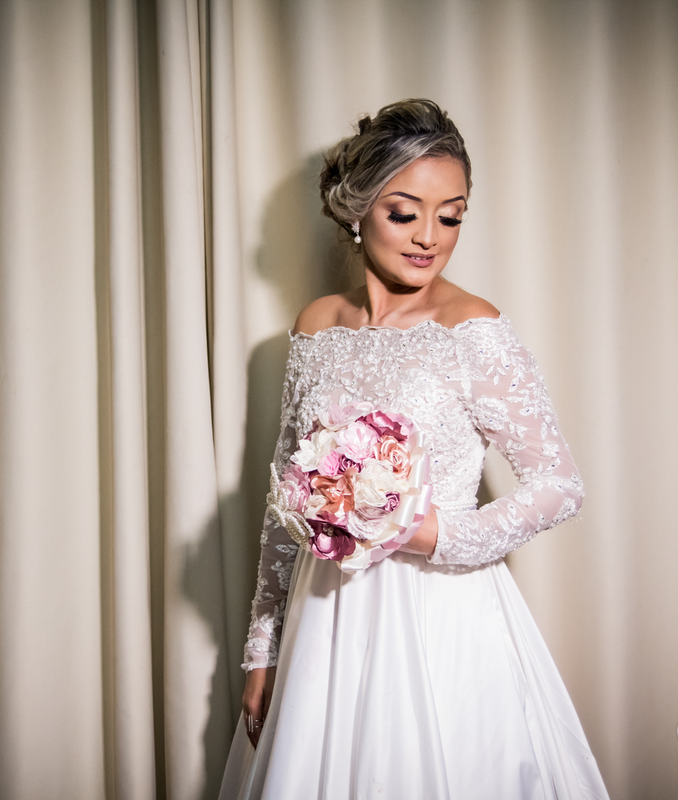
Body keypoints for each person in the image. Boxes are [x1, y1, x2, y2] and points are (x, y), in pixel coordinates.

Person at [218, 99, 610, 799]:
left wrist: (433, 534)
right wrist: (263, 652)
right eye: (406, 213)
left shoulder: (472, 327)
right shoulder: (315, 326)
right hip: (324, 623)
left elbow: (559, 483)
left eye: (452, 215)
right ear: (357, 208)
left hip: (440, 616)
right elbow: (286, 500)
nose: (431, 236)